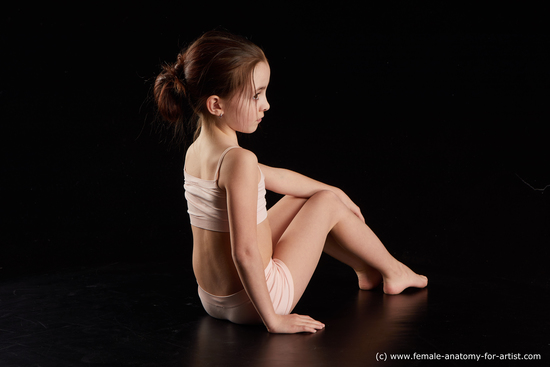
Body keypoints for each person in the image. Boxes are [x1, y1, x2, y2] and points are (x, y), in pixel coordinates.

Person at [154, 30, 428, 334]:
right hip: (258, 302)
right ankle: (394, 271)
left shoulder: (198, 151)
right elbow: (243, 252)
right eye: (256, 95)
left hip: (210, 298)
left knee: (311, 197)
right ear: (216, 105)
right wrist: (274, 319)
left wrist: (332, 189)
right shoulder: (239, 160)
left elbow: (274, 177)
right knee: (325, 205)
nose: (266, 104)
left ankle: (365, 269)